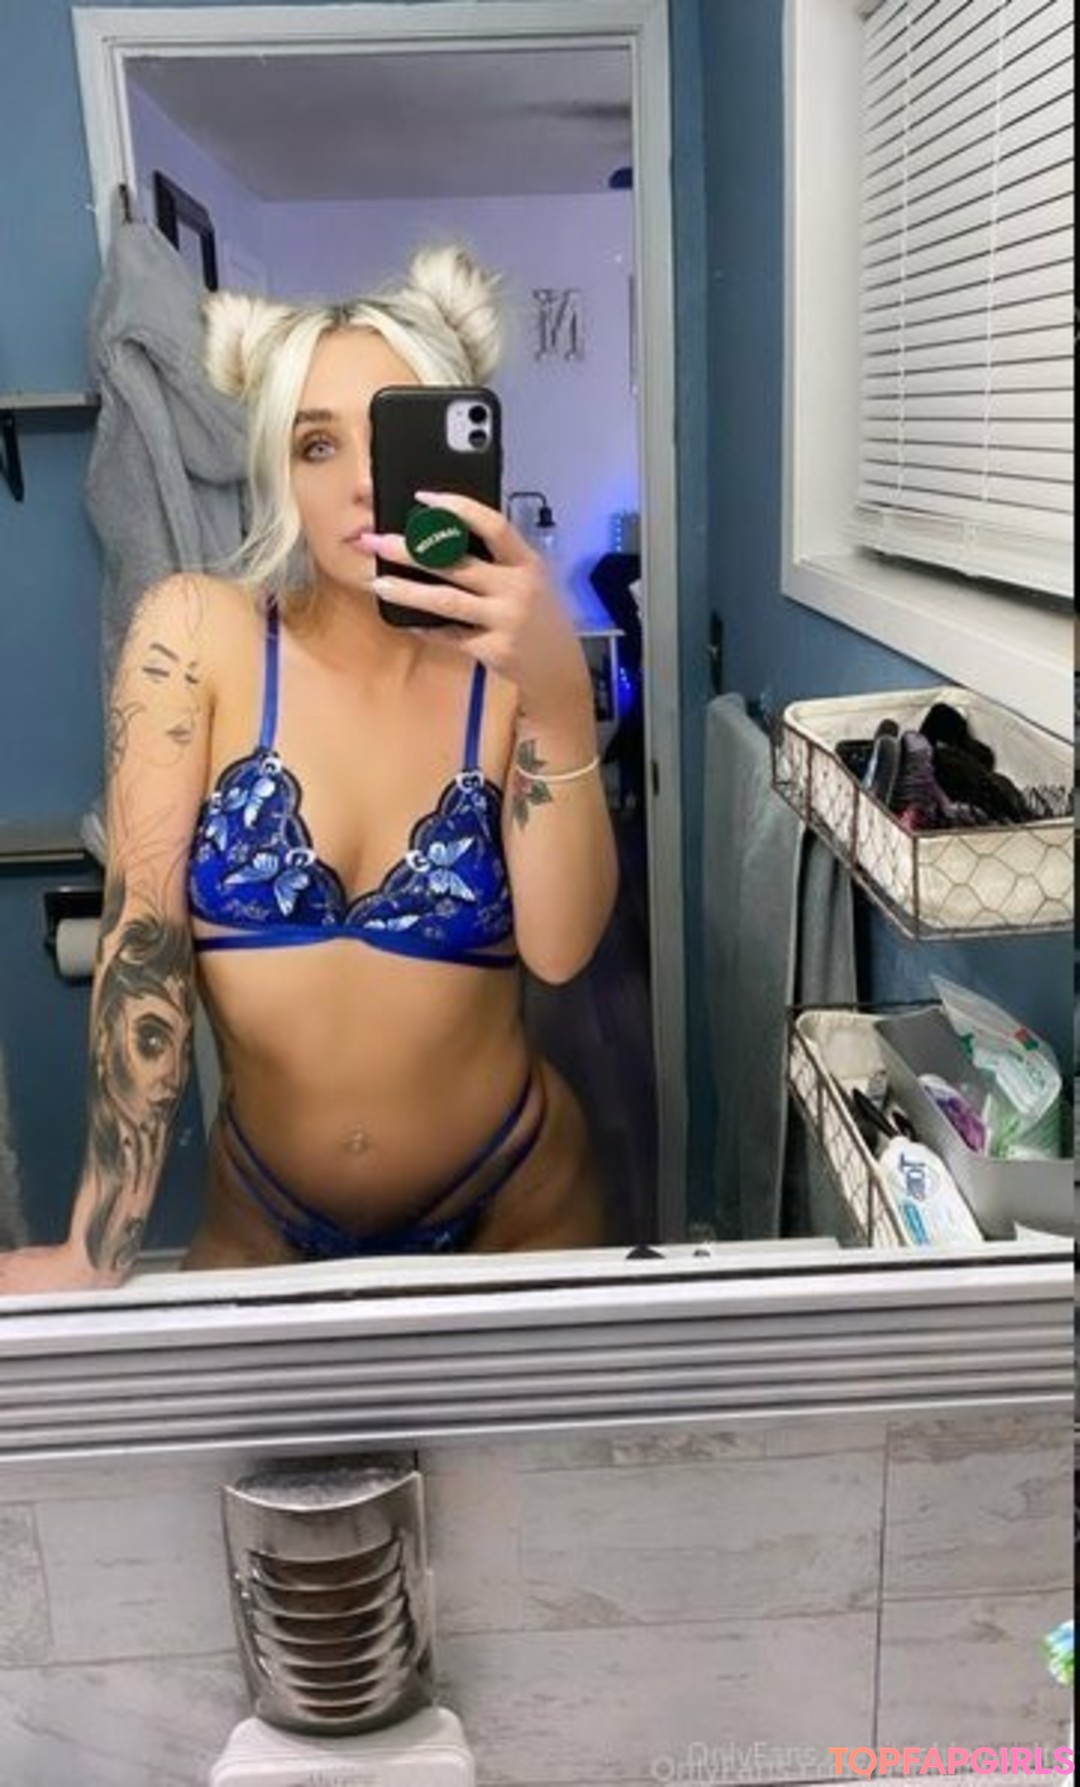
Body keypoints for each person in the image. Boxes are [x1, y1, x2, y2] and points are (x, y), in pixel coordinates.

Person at [0, 244, 618, 1292]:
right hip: (266, 1221)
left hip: (518, 1205)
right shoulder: (197, 635)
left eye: (392, 433)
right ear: (278, 470)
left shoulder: (513, 669)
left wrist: (559, 695)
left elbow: (560, 953)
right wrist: (95, 1250)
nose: (363, 480)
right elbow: (145, 947)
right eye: (317, 443)